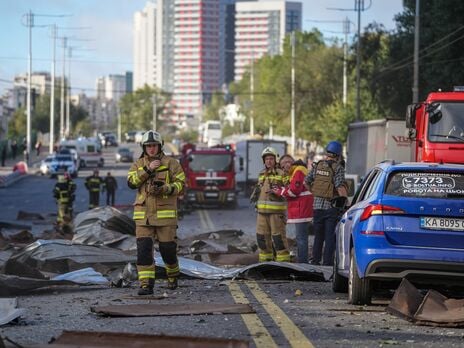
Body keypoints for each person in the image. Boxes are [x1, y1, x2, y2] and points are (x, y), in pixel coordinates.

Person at [127, 130, 186, 295]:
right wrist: (147, 169)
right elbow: (131, 182)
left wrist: (165, 188)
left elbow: (181, 185)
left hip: (165, 217)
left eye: (154, 145)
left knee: (168, 251)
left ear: (160, 146)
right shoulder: (138, 165)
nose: (151, 149)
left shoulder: (172, 163)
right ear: (143, 147)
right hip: (143, 217)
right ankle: (146, 285)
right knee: (144, 251)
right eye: (148, 146)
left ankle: (173, 275)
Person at [305, 141, 348, 266]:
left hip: (317, 207)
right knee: (329, 237)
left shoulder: (318, 166)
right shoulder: (337, 168)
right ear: (338, 155)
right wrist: (345, 203)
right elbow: (340, 187)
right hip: (331, 207)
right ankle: (327, 263)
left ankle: (315, 261)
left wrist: (314, 192)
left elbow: (306, 182)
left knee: (318, 236)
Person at [272, 155, 314, 263]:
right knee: (302, 238)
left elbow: (294, 191)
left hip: (301, 209)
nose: (285, 167)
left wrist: (280, 191)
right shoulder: (297, 171)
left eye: (286, 163)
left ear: (291, 162)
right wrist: (283, 189)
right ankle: (305, 261)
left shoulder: (298, 171)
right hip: (302, 209)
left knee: (301, 239)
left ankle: (303, 263)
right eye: (282, 166)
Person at [252, 146, 290, 262]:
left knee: (279, 240)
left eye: (271, 159)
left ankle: (283, 265)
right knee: (262, 239)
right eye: (266, 159)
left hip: (276, 214)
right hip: (261, 213)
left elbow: (288, 191)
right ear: (264, 160)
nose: (269, 161)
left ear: (275, 160)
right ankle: (265, 263)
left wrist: (277, 191)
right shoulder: (261, 174)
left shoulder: (282, 174)